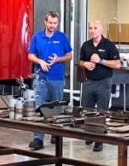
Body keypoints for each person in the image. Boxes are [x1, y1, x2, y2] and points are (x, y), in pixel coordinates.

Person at [27, 11, 72, 150]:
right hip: (41, 78)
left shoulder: (62, 37)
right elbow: (30, 55)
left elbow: (69, 55)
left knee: (56, 107)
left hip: (57, 78)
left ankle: (55, 133)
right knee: (39, 107)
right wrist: (40, 61)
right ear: (45, 22)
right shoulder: (37, 37)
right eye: (50, 23)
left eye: (55, 23)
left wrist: (58, 59)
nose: (52, 25)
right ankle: (38, 138)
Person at [78, 20, 121, 152]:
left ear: (101, 30)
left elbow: (117, 64)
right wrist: (84, 64)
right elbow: (80, 61)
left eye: (95, 28)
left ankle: (99, 140)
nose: (92, 30)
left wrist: (101, 61)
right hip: (88, 82)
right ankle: (90, 134)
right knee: (87, 110)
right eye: (90, 28)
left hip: (104, 82)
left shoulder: (109, 45)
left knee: (101, 112)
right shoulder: (86, 45)